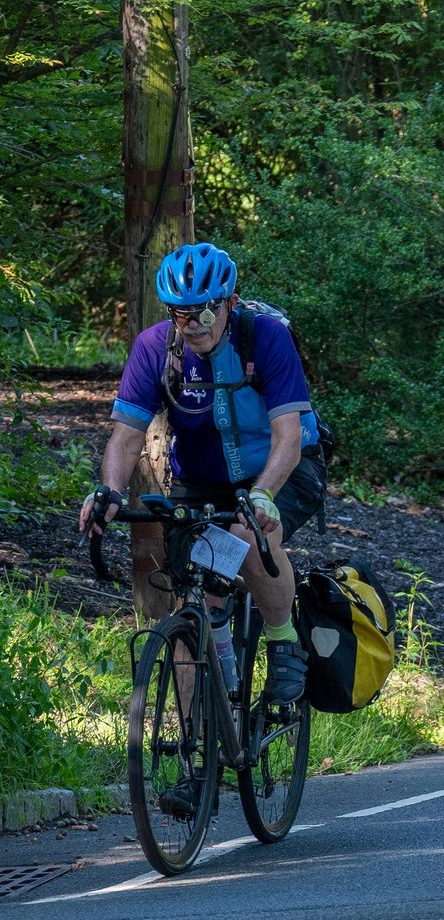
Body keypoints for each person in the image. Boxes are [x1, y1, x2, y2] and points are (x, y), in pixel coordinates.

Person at [79, 242, 326, 703]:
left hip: (282, 467)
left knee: (249, 535)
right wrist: (109, 490)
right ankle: (198, 753)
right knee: (197, 601)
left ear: (229, 304)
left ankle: (284, 641)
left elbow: (289, 437)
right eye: (178, 314)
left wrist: (263, 494)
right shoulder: (155, 347)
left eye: (202, 315)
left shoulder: (266, 337)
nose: (190, 326)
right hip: (201, 476)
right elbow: (126, 437)